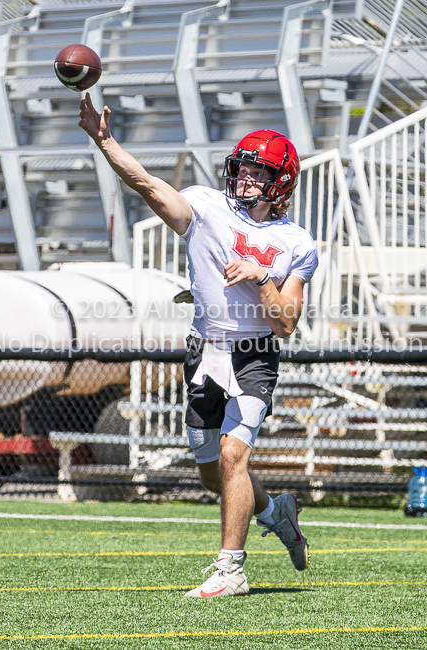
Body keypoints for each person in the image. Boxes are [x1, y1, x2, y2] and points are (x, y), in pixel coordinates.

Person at [79, 94, 318, 598]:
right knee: (214, 474)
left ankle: (231, 570)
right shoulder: (207, 207)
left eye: (258, 172)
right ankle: (275, 510)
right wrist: (104, 141)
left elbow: (286, 324)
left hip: (254, 353)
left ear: (281, 183)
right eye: (243, 168)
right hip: (204, 351)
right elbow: (147, 184)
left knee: (235, 456)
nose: (246, 178)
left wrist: (263, 279)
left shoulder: (296, 243)